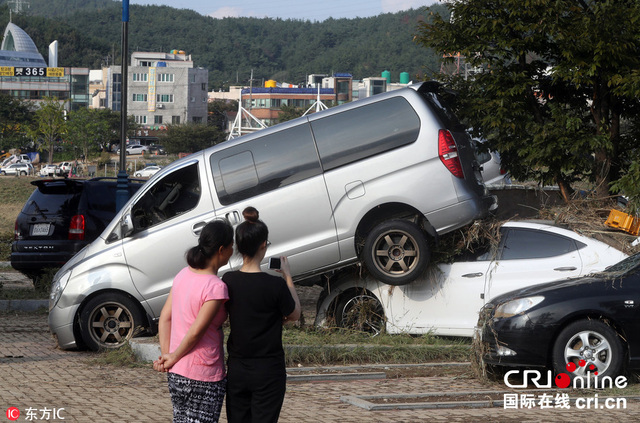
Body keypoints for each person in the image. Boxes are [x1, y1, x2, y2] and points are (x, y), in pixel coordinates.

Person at [222, 207, 301, 423]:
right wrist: (288, 276)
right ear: (263, 245)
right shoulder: (275, 284)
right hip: (268, 369)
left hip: (237, 367)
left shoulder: (228, 281)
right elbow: (295, 313)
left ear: (239, 247)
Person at [153, 219, 234, 423]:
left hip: (177, 371)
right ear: (222, 250)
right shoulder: (216, 287)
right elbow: (197, 332)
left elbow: (165, 317)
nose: (234, 250)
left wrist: (167, 356)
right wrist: (172, 357)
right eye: (232, 246)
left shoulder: (183, 274)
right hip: (203, 373)